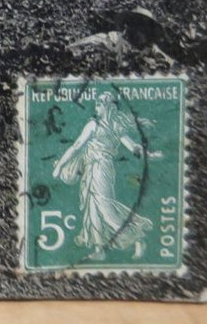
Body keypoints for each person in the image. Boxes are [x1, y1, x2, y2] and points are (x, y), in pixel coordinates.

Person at [52, 92, 159, 260]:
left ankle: (137, 238)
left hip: (103, 168)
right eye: (97, 103)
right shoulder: (93, 125)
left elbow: (133, 148)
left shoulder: (115, 127)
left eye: (100, 103)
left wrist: (149, 155)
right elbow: (76, 146)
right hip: (90, 168)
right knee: (92, 207)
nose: (97, 106)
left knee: (105, 208)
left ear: (109, 106)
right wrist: (60, 166)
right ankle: (98, 249)